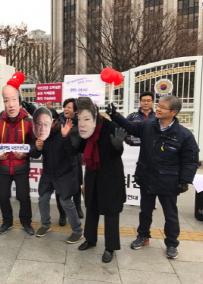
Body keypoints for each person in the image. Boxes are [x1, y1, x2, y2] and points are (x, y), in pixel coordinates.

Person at [106, 95, 199, 260]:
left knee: (170, 214)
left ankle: (171, 243)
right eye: (159, 105)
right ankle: (143, 236)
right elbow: (130, 127)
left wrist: (185, 180)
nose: (158, 109)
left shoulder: (183, 135)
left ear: (174, 112)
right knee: (145, 211)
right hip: (147, 177)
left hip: (168, 181)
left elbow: (191, 160)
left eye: (163, 107)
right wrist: (115, 115)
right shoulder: (148, 125)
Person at [72, 97, 126, 263]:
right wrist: (74, 142)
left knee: (111, 211)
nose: (82, 122)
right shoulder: (83, 129)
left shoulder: (110, 127)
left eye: (86, 118)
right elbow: (81, 148)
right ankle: (90, 239)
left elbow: (117, 154)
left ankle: (110, 247)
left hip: (110, 176)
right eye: (79, 118)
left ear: (95, 115)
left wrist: (118, 146)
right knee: (92, 208)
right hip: (93, 174)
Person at [30, 107, 83, 243]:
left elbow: (73, 151)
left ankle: (77, 230)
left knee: (66, 202)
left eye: (48, 122)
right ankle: (45, 224)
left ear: (56, 121)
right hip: (48, 173)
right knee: (43, 199)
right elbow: (35, 153)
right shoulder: (42, 134)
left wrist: (65, 136)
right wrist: (37, 147)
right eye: (41, 122)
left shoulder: (67, 130)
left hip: (65, 173)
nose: (44, 126)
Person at [0, 84, 35, 235]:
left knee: (23, 197)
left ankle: (26, 223)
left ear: (19, 100)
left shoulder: (29, 122)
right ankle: (7, 222)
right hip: (3, 167)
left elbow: (34, 144)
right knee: (3, 197)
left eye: (14, 99)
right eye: (6, 100)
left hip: (21, 167)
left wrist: (26, 153)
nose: (10, 104)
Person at [57, 98, 84, 224]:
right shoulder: (59, 120)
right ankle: (62, 214)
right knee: (60, 188)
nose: (66, 109)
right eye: (65, 106)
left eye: (69, 107)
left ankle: (78, 207)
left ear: (76, 111)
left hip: (75, 158)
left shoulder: (81, 123)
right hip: (61, 159)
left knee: (76, 186)